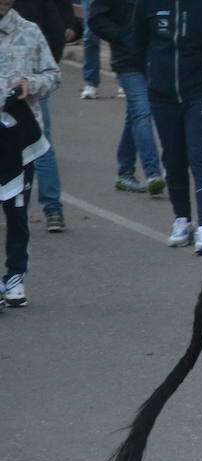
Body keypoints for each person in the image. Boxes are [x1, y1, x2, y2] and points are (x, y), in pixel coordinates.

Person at [131, 0, 202, 256]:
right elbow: (137, 43)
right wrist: (153, 76)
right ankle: (182, 220)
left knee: (200, 155)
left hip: (200, 91)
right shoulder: (148, 4)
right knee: (173, 157)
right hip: (161, 93)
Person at [1, 0, 58, 308]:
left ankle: (14, 278)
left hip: (18, 138)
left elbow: (54, 75)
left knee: (16, 210)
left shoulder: (29, 32)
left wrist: (31, 83)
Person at [89, 0, 167, 196]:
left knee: (134, 114)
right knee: (142, 111)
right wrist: (124, 36)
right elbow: (96, 19)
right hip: (127, 61)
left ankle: (124, 172)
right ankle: (153, 173)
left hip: (156, 59)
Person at [14, 0, 72, 232]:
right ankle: (49, 208)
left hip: (32, 87)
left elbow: (56, 31)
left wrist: (42, 71)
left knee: (41, 145)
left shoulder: (29, 27)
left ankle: (51, 208)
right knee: (40, 145)